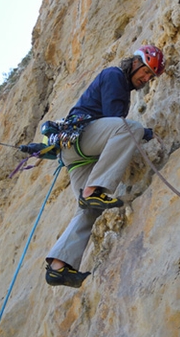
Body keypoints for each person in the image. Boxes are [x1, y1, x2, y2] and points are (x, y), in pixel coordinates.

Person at [45, 45, 165, 288]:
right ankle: (94, 191)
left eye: (151, 77)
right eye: (145, 72)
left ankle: (59, 266)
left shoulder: (121, 84)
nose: (146, 79)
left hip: (78, 154)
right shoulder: (114, 76)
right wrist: (146, 132)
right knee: (131, 128)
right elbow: (116, 121)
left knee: (89, 210)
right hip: (82, 139)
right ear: (135, 63)